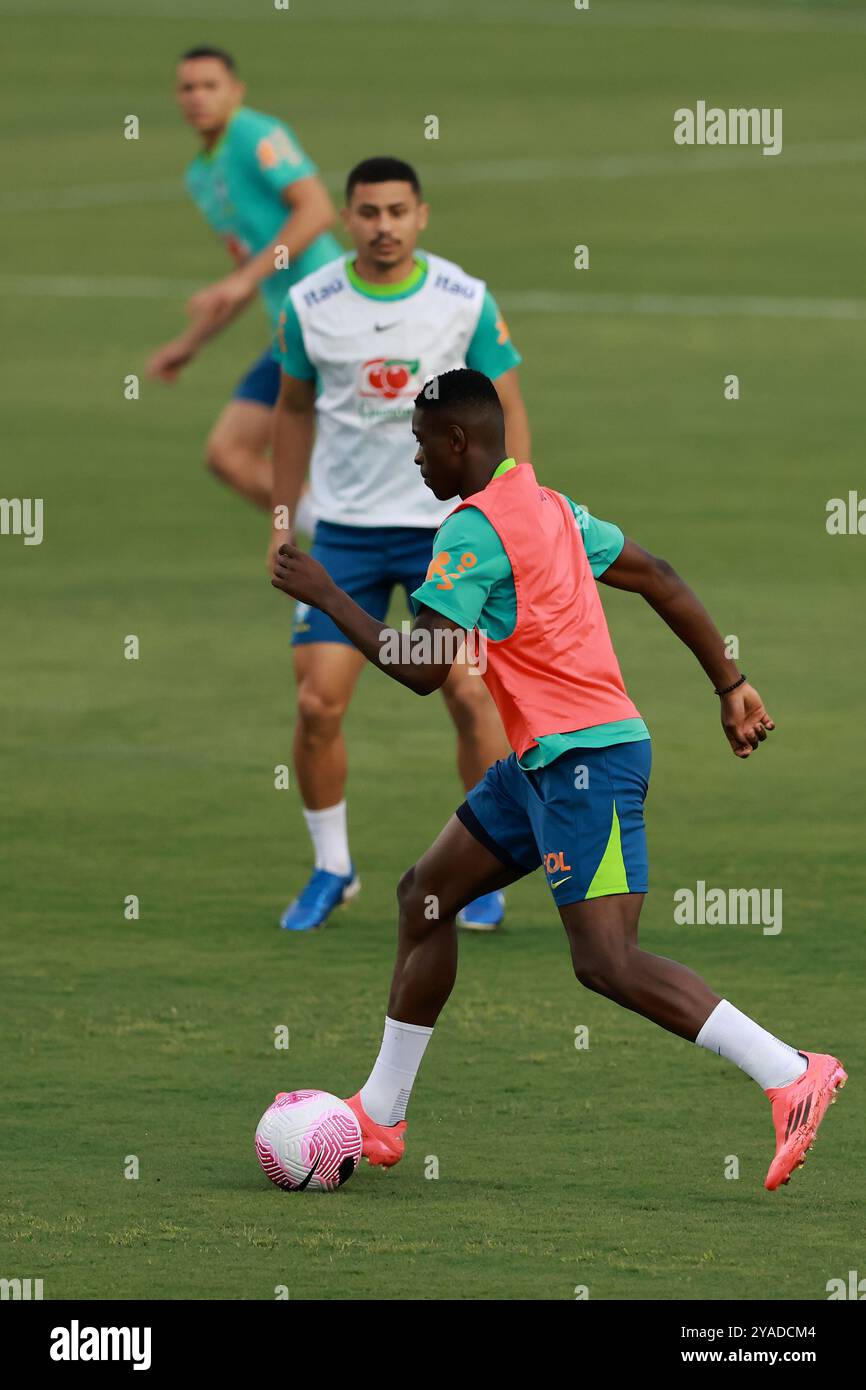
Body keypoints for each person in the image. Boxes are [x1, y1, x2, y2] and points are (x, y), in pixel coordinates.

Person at [271, 367, 847, 1192]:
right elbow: (661, 575)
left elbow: (425, 668)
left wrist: (330, 595)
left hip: (589, 764)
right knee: (425, 897)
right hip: (540, 763)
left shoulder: (469, 534)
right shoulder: (552, 509)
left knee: (607, 961)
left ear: (459, 442)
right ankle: (381, 1114)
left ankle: (792, 1071)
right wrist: (730, 683)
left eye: (422, 445)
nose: (417, 462)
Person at [271, 158, 530, 933]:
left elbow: (508, 406)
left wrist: (515, 515)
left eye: (396, 211)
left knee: (470, 693)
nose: (382, 226)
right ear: (346, 219)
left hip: (447, 533)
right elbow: (291, 412)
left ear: (422, 215)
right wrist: (285, 522)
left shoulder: (463, 299)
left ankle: (482, 873)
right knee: (318, 703)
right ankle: (331, 869)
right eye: (367, 212)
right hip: (346, 531)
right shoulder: (309, 304)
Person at [147, 45, 340, 516]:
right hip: (290, 332)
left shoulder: (256, 134)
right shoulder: (200, 175)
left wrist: (246, 277)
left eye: (210, 86)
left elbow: (316, 209)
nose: (197, 97)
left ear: (236, 91)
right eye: (187, 88)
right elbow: (246, 274)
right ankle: (334, 535)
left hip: (331, 316)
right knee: (228, 456)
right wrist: (189, 343)